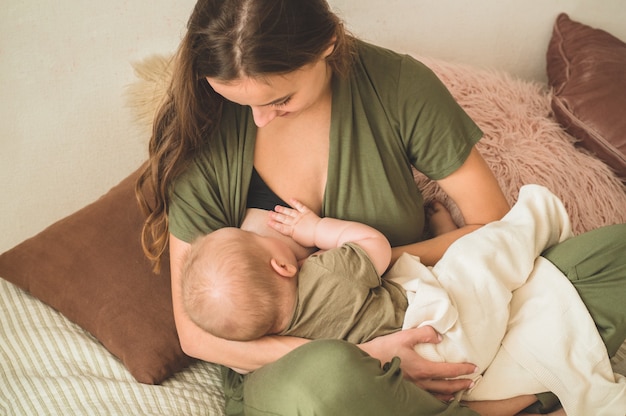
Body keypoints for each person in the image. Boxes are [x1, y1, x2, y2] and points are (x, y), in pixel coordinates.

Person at [135, 0, 626, 414]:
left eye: (280, 99)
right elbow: (197, 336)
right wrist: (370, 356)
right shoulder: (201, 128)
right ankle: (493, 399)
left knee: (615, 256)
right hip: (308, 373)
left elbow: (490, 224)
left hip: (430, 307)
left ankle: (478, 393)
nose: (260, 121)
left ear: (326, 45)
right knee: (325, 383)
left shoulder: (397, 87)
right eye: (241, 103)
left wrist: (377, 265)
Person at [180, 185, 626, 415]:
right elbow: (373, 247)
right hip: (435, 334)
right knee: (479, 261)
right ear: (283, 266)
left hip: (412, 380)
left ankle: (522, 396)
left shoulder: (273, 339)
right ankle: (535, 219)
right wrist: (315, 232)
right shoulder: (326, 269)